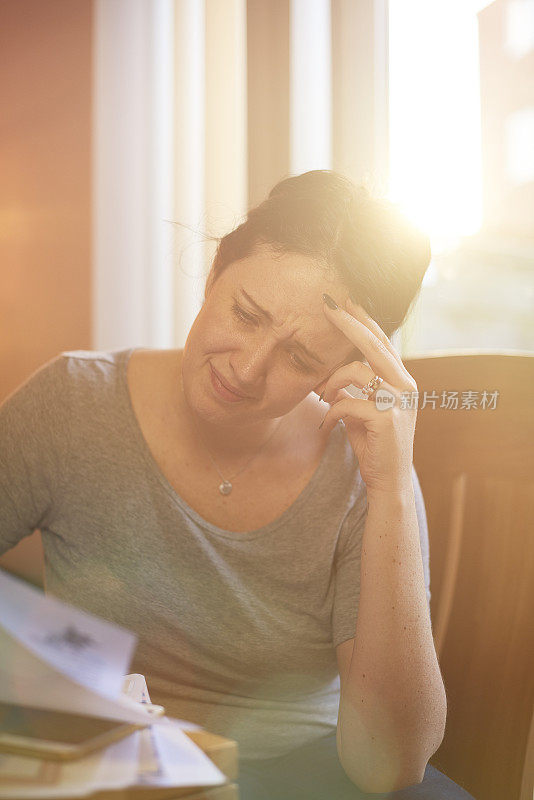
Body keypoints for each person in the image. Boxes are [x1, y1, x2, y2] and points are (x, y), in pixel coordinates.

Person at [0, 170, 474, 799]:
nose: (247, 370)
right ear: (215, 270)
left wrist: (389, 488)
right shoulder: (73, 403)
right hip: (110, 764)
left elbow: (387, 768)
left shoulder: (364, 471)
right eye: (246, 314)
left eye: (302, 360)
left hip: (302, 775)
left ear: (342, 369)